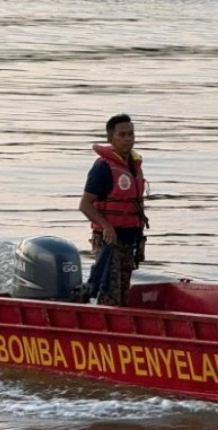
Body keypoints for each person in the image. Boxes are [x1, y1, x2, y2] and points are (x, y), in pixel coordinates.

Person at [78, 113, 148, 306]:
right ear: (110, 138)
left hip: (129, 240)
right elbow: (85, 205)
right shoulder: (103, 168)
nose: (128, 139)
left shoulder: (132, 166)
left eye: (131, 134)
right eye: (122, 134)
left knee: (122, 291)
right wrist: (106, 226)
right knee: (110, 290)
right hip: (109, 241)